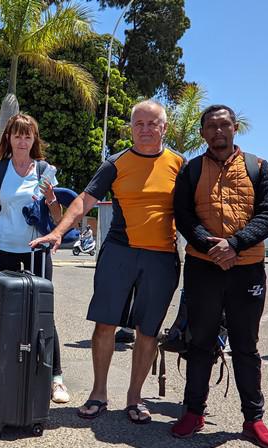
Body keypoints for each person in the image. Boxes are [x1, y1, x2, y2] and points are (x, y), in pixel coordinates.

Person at [31, 100, 184, 424]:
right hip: (119, 252)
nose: (145, 129)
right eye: (138, 123)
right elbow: (83, 201)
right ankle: (98, 393)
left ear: (164, 128)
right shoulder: (115, 163)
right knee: (105, 324)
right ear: (131, 128)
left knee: (147, 330)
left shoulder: (179, 164)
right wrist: (58, 231)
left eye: (152, 123)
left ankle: (135, 398)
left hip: (162, 257)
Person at [172, 105, 268, 448]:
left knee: (246, 346)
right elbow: (183, 215)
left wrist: (234, 244)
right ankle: (193, 412)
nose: (218, 131)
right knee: (200, 342)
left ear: (235, 128)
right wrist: (211, 247)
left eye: (224, 125)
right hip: (202, 267)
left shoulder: (258, 167)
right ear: (203, 132)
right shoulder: (191, 170)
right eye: (211, 126)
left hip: (247, 268)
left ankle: (253, 420)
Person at [0, 113, 68, 403]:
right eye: (17, 135)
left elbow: (57, 216)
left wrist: (52, 199)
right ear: (9, 138)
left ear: (34, 139)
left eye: (28, 136)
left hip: (37, 250)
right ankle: (9, 370)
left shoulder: (44, 170)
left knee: (43, 312)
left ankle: (55, 378)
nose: (23, 141)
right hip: (6, 248)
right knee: (7, 310)